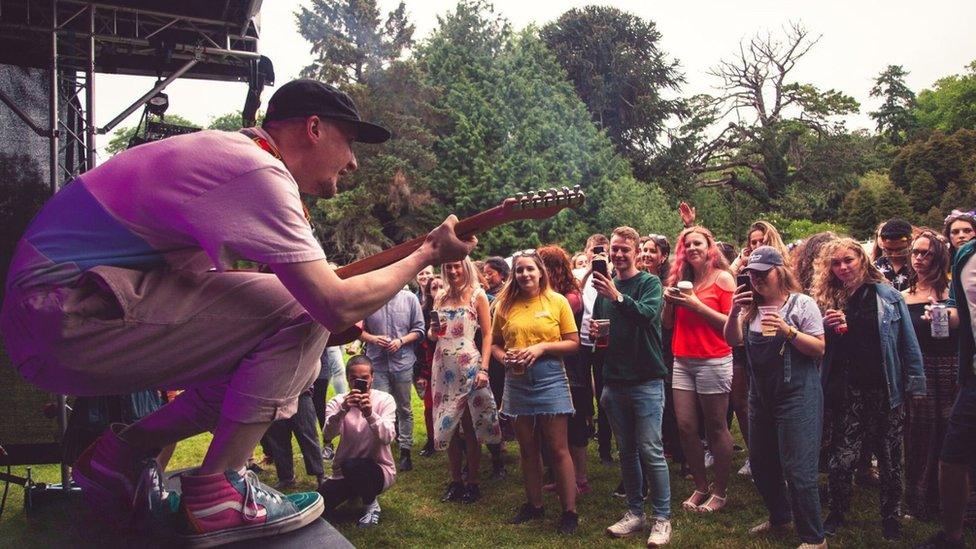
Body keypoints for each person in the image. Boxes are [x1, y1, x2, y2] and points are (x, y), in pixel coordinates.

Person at [5, 78, 477, 545]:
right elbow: (332, 304)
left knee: (276, 349)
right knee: (303, 312)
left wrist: (307, 324)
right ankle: (218, 493)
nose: (353, 161)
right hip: (62, 313)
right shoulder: (258, 171)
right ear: (313, 128)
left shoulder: (231, 162)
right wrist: (426, 253)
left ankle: (121, 454)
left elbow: (251, 290)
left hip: (53, 320)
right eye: (349, 142)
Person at [812, 238, 925, 540]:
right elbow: (824, 348)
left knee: (890, 460)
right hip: (849, 391)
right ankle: (837, 512)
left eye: (848, 260)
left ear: (862, 260)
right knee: (842, 460)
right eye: (835, 263)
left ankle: (891, 518)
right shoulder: (831, 298)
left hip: (885, 389)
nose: (842, 267)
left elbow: (907, 344)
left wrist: (915, 385)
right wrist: (827, 327)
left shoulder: (888, 296)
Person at [723, 246, 827, 548]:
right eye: (751, 274)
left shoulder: (801, 304)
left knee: (799, 470)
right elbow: (732, 341)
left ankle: (814, 538)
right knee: (762, 463)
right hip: (761, 396)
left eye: (762, 273)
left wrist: (788, 331)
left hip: (798, 395)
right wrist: (732, 312)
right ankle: (780, 516)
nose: (755, 280)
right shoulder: (750, 308)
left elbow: (819, 349)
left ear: (779, 271)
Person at [592, 227, 673, 547]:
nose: (619, 254)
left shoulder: (649, 283)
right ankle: (635, 513)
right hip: (615, 381)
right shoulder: (602, 290)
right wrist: (597, 334)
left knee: (651, 450)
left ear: (636, 251)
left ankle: (662, 519)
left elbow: (648, 315)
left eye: (625, 249)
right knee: (626, 451)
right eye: (614, 249)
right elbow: (602, 331)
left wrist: (617, 296)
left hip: (646, 380)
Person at [490, 250, 580, 534]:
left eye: (530, 269)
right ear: (513, 275)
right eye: (519, 270)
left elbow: (573, 343)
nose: (525, 275)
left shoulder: (557, 302)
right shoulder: (504, 304)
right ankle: (535, 505)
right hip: (516, 379)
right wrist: (504, 359)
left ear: (541, 272)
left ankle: (569, 512)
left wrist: (541, 348)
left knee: (557, 448)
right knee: (527, 448)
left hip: (550, 377)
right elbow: (494, 343)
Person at [662, 226, 736, 513]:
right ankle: (700, 486)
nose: (692, 248)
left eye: (698, 243)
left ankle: (719, 491)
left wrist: (695, 305)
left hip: (713, 359)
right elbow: (668, 324)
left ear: (709, 248)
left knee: (716, 427)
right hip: (682, 358)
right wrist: (670, 303)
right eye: (687, 245)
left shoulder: (723, 279)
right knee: (686, 427)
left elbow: (732, 326)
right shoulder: (682, 279)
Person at [918, 236, 976, 549]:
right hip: (973, 379)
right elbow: (958, 310)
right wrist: (942, 314)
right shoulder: (966, 256)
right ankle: (953, 537)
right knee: (952, 458)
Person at [428, 257, 501, 504]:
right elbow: (433, 333)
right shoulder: (440, 296)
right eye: (448, 266)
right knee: (447, 423)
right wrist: (432, 331)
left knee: (469, 426)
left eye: (457, 265)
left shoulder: (477, 295)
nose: (453, 269)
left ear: (465, 266)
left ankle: (472, 482)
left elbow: (488, 333)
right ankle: (455, 481)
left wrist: (485, 368)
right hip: (442, 365)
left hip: (468, 364)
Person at [902, 231, 960, 521]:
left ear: (939, 257)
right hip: (918, 369)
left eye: (927, 253)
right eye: (915, 252)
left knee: (949, 433)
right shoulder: (904, 295)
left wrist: (949, 316)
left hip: (949, 367)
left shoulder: (953, 293)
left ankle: (949, 500)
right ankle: (917, 498)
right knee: (919, 434)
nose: (919, 259)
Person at [319, 355, 396, 528]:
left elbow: (388, 437)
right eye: (354, 378)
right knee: (319, 506)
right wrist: (342, 410)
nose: (359, 382)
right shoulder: (338, 402)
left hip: (378, 469)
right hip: (344, 472)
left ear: (372, 377)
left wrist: (370, 414)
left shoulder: (384, 400)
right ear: (347, 378)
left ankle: (371, 505)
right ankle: (355, 490)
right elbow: (328, 435)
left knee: (353, 466)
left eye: (365, 378)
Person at [536, 245, 589, 495]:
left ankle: (580, 478)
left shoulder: (570, 297)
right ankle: (561, 477)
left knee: (575, 425)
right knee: (555, 426)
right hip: (552, 365)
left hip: (571, 368)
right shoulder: (544, 295)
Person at [359, 288, 426, 472]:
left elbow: (419, 329)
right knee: (378, 408)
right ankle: (379, 451)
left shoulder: (410, 298)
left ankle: (405, 450)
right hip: (377, 363)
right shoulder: (369, 298)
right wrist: (373, 338)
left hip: (402, 363)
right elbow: (355, 330)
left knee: (404, 407)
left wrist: (401, 341)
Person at [577, 233, 615, 464]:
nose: (599, 254)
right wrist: (590, 270)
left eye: (603, 251)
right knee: (581, 393)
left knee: (604, 394)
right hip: (580, 341)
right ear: (587, 251)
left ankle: (605, 447)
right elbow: (572, 294)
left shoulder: (614, 273)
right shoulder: (578, 273)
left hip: (604, 340)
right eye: (594, 250)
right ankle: (582, 438)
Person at [265, 388, 326, 490]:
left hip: (300, 392)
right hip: (273, 395)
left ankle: (319, 474)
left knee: (307, 435)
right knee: (278, 438)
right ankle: (285, 477)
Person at [415, 275, 444, 457]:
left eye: (442, 286)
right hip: (430, 363)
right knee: (430, 405)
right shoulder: (424, 312)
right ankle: (432, 439)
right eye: (434, 287)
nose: (439, 290)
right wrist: (421, 373)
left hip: (453, 360)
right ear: (429, 291)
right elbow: (419, 345)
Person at [875, 218, 914, 291]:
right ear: (882, 242)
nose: (894, 255)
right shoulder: (876, 267)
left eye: (899, 250)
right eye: (889, 250)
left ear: (910, 241)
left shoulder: (919, 265)